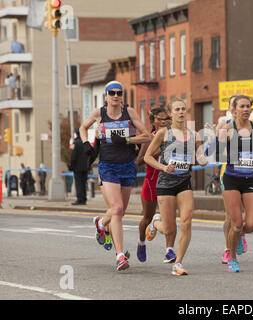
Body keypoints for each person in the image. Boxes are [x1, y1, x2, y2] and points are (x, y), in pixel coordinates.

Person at [79, 80, 150, 271]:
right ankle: (120, 256)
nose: (116, 96)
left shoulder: (130, 112)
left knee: (120, 211)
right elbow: (82, 128)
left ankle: (101, 223)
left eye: (119, 93)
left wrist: (127, 140)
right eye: (112, 93)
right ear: (107, 96)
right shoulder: (99, 113)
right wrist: (86, 144)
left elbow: (147, 136)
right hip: (107, 166)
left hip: (127, 165)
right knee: (117, 209)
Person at [144, 98, 207, 276]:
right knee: (170, 228)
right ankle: (156, 222)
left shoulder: (194, 135)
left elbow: (201, 160)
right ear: (171, 114)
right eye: (177, 109)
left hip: (184, 182)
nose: (180, 112)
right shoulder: (164, 133)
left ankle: (178, 263)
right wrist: (163, 167)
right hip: (165, 182)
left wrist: (203, 155)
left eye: (183, 109)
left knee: (186, 222)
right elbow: (148, 157)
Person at [217, 95, 253, 272]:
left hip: (250, 180)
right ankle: (232, 258)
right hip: (231, 178)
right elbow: (217, 153)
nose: (246, 109)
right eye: (242, 106)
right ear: (234, 110)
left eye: (248, 106)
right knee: (236, 222)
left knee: (252, 224)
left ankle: (238, 236)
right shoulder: (228, 129)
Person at [135, 107, 177, 264]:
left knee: (169, 218)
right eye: (159, 119)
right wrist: (157, 149)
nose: (163, 121)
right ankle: (141, 242)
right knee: (147, 218)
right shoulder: (150, 139)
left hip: (170, 182)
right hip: (152, 182)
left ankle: (169, 250)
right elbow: (139, 161)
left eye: (166, 118)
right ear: (153, 121)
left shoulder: (174, 137)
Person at [68, 128, 89, 205]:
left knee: (79, 183)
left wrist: (70, 164)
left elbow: (73, 156)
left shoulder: (76, 143)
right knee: (83, 183)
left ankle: (80, 199)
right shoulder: (86, 143)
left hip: (77, 167)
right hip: (85, 167)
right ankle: (84, 198)